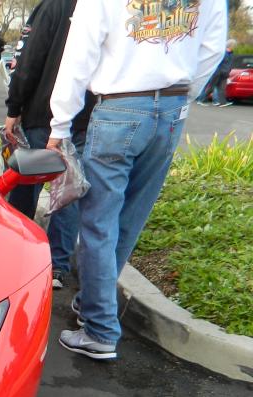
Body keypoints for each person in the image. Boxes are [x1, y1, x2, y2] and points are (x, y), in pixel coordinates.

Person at [47, 0, 227, 361]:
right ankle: (93, 302)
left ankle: (99, 330)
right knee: (129, 218)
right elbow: (212, 48)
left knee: (99, 222)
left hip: (120, 105)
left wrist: (60, 125)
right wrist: (184, 92)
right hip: (173, 107)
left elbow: (80, 53)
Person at [4, 0, 96, 289]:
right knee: (68, 193)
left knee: (25, 187)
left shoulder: (52, 6)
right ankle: (57, 266)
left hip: (43, 114)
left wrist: (14, 106)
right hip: (84, 116)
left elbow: (29, 60)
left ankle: (15, 254)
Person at [197, 39, 236, 106]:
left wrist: (228, 71)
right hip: (217, 73)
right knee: (211, 88)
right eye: (234, 45)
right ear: (230, 45)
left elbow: (230, 64)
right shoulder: (223, 53)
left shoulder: (231, 54)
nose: (235, 46)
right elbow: (216, 62)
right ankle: (201, 100)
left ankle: (222, 102)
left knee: (222, 89)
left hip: (225, 74)